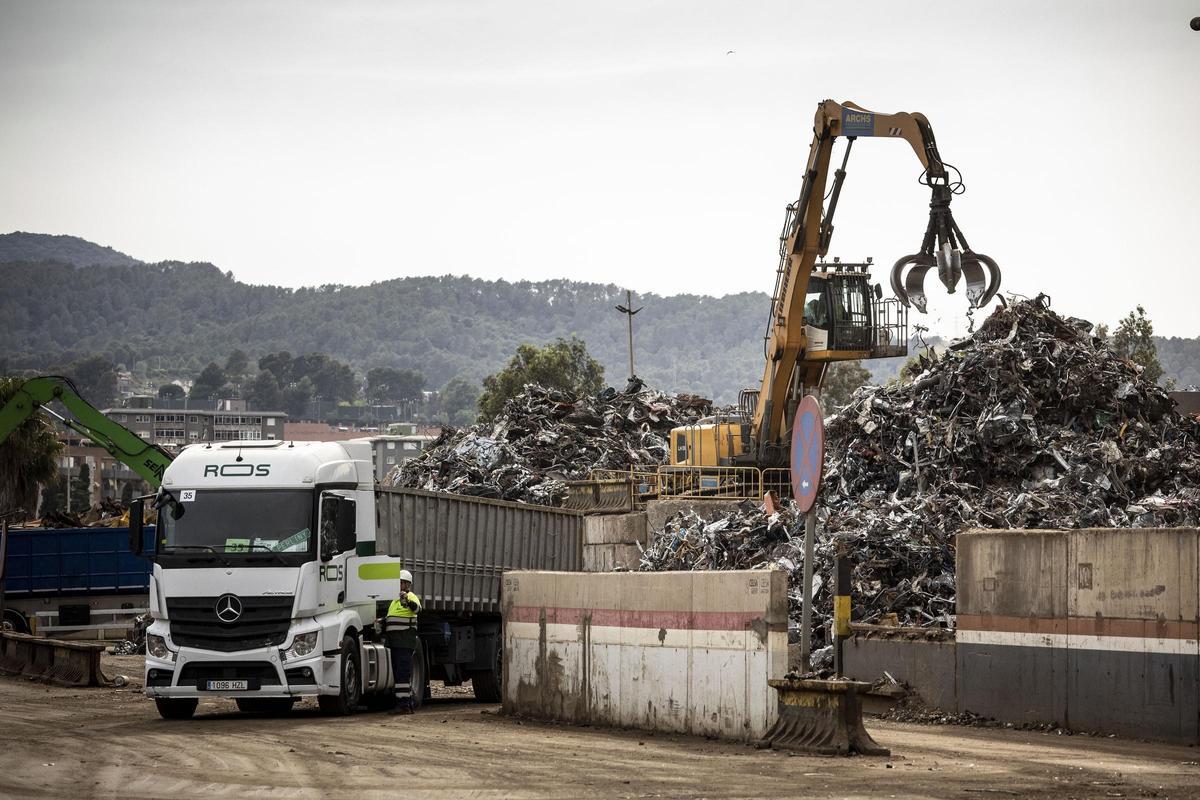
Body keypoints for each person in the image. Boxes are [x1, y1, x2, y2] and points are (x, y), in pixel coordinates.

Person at [384, 569, 422, 714]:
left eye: (402, 582)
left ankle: (403, 706)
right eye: (398, 582)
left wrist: (408, 601)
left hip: (405, 642)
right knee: (399, 674)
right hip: (395, 642)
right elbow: (392, 618)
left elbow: (418, 609)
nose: (399, 585)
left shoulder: (410, 597)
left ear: (407, 584)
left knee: (402, 674)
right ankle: (406, 703)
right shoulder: (394, 600)